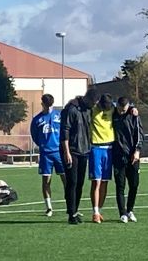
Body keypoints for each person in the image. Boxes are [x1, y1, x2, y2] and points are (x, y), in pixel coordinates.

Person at [60, 87, 99, 225]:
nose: (94, 105)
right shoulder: (72, 109)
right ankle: (71, 214)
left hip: (84, 150)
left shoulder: (88, 109)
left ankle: (75, 210)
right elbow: (65, 131)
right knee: (72, 182)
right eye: (93, 103)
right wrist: (66, 152)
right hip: (71, 150)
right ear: (87, 98)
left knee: (80, 183)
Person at [30, 93, 66, 217]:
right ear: (42, 104)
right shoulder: (37, 120)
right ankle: (49, 208)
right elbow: (34, 136)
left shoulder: (59, 116)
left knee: (65, 180)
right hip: (46, 154)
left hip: (59, 153)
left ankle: (70, 206)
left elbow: (65, 131)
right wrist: (43, 145)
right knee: (46, 181)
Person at [112, 96, 143, 223]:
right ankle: (122, 213)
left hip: (132, 156)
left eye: (124, 110)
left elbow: (140, 135)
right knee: (120, 186)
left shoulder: (133, 116)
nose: (121, 112)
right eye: (120, 109)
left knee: (134, 185)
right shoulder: (112, 114)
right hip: (118, 155)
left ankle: (130, 210)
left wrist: (137, 151)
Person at [89, 94, 115, 223]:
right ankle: (95, 212)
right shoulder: (92, 110)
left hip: (109, 149)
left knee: (105, 182)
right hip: (96, 148)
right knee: (96, 182)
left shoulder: (113, 109)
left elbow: (126, 107)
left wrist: (134, 110)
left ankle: (99, 210)